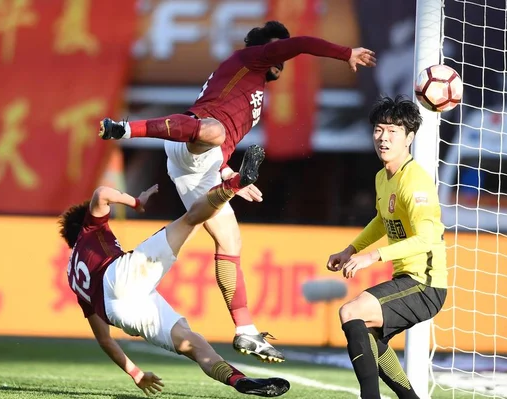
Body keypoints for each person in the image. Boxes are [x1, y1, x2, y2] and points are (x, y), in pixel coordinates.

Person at [98, 20, 377, 363]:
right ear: (263, 46)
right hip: (192, 140)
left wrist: (227, 170)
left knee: (230, 243)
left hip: (202, 164)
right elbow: (301, 43)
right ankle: (126, 128)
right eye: (278, 49)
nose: (281, 58)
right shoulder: (252, 58)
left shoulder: (252, 83)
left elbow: (226, 141)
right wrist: (346, 52)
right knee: (213, 130)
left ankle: (246, 331)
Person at [58, 146, 289, 397]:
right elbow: (101, 193)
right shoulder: (89, 230)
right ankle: (235, 183)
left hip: (119, 312)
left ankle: (239, 381)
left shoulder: (73, 275)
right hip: (119, 277)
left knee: (192, 343)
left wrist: (136, 374)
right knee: (191, 219)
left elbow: (104, 338)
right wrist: (136, 201)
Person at [326, 96, 448, 399]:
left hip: (425, 284)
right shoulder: (383, 177)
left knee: (352, 311)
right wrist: (351, 250)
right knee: (366, 333)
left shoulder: (415, 182)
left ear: (409, 138)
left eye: (393, 131)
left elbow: (426, 239)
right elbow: (382, 221)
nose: (384, 137)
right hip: (407, 280)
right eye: (379, 130)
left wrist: (373, 256)